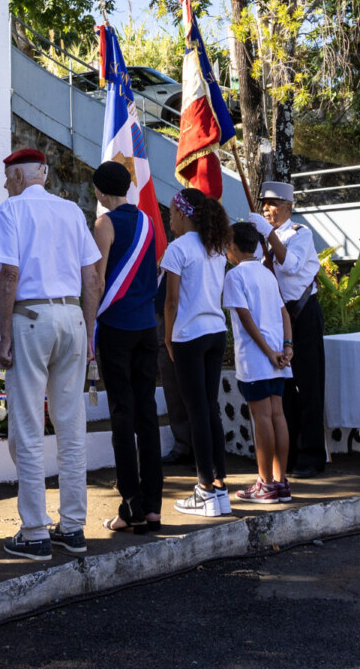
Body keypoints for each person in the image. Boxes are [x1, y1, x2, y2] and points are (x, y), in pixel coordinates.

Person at [0, 148, 101, 561]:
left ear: (17, 177)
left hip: (31, 317)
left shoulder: (10, 210)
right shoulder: (71, 212)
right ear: (45, 174)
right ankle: (72, 526)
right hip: (72, 316)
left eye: (7, 177)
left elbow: (9, 274)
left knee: (29, 429)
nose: (5, 185)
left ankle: (34, 531)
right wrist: (88, 333)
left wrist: (3, 338)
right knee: (71, 430)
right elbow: (91, 276)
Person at [91, 161, 163, 533]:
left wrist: (89, 326)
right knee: (147, 414)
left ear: (101, 193)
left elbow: (98, 281)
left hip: (117, 327)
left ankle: (130, 508)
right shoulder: (149, 221)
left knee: (123, 415)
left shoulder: (104, 223)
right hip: (146, 327)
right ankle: (153, 507)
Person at [248, 181, 326, 477]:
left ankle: (313, 455)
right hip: (278, 318)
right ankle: (289, 454)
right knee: (285, 390)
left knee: (309, 384)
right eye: (264, 204)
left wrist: (268, 235)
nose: (267, 209)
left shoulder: (299, 234)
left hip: (303, 314)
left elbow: (290, 265)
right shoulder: (263, 240)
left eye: (273, 204)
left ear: (288, 207)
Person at [162, 187, 231, 519]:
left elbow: (171, 301)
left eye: (172, 213)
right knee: (210, 409)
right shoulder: (215, 246)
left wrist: (168, 338)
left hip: (189, 335)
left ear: (183, 214)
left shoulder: (177, 248)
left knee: (197, 412)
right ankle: (219, 486)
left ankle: (205, 489)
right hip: (216, 333)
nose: (169, 218)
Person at [223, 221, 294, 504]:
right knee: (277, 415)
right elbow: (284, 314)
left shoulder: (235, 275)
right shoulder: (267, 273)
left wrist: (267, 351)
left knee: (262, 417)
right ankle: (280, 482)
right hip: (278, 354)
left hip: (257, 357)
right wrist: (286, 347)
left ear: (232, 246)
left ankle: (265, 484)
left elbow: (245, 318)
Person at [155, 275, 194, 467]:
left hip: (190, 314)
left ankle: (200, 447)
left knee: (196, 390)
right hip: (163, 312)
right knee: (171, 384)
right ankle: (182, 445)